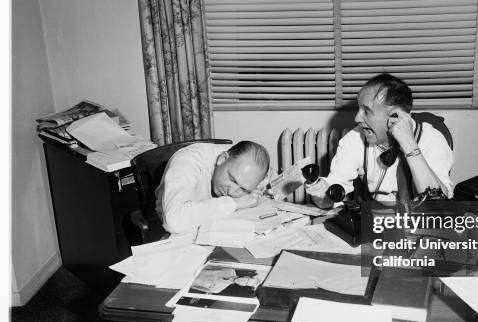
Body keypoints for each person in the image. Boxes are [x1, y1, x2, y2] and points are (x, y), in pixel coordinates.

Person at [306, 73, 453, 208]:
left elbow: (439, 207)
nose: (357, 118)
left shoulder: (431, 138)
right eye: (359, 109)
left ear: (395, 116)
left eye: (367, 111)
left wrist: (409, 145)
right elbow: (329, 199)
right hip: (377, 221)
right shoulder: (355, 139)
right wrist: (320, 192)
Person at [156, 140, 270, 235]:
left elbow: (268, 172)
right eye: (232, 180)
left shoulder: (242, 161)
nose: (232, 192)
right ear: (222, 159)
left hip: (212, 228)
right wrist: (235, 203)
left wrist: (261, 186)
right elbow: (174, 221)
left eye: (243, 189)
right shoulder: (187, 161)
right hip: (170, 234)